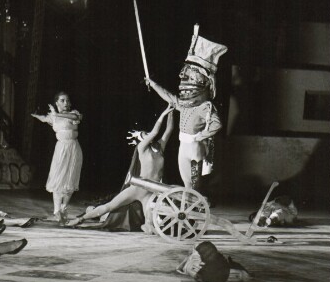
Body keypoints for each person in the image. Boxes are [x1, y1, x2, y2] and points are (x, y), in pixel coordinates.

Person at [145, 24, 227, 194]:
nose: (186, 77)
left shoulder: (205, 106)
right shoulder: (183, 105)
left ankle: (196, 207)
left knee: (195, 185)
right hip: (184, 145)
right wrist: (153, 84)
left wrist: (200, 136)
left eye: (192, 74)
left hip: (195, 146)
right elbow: (169, 97)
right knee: (187, 184)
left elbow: (216, 124)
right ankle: (189, 209)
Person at [66, 105, 174, 233]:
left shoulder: (160, 147)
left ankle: (147, 225)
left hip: (150, 193)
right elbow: (155, 132)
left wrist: (172, 110)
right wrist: (164, 113)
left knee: (149, 226)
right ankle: (81, 219)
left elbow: (169, 129)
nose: (148, 135)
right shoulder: (142, 148)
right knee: (108, 207)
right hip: (137, 189)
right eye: (145, 134)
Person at [31, 91, 83, 225]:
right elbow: (43, 118)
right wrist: (35, 113)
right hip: (61, 149)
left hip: (73, 148)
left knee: (70, 179)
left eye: (67, 100)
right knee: (58, 178)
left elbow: (74, 116)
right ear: (56, 102)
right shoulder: (54, 117)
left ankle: (64, 208)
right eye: (62, 100)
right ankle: (56, 211)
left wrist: (56, 113)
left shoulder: (74, 113)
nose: (66, 103)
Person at [176, 241, 253, 282]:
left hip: (207, 275)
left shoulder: (192, 265)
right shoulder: (214, 260)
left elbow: (180, 269)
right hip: (218, 274)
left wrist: (187, 258)